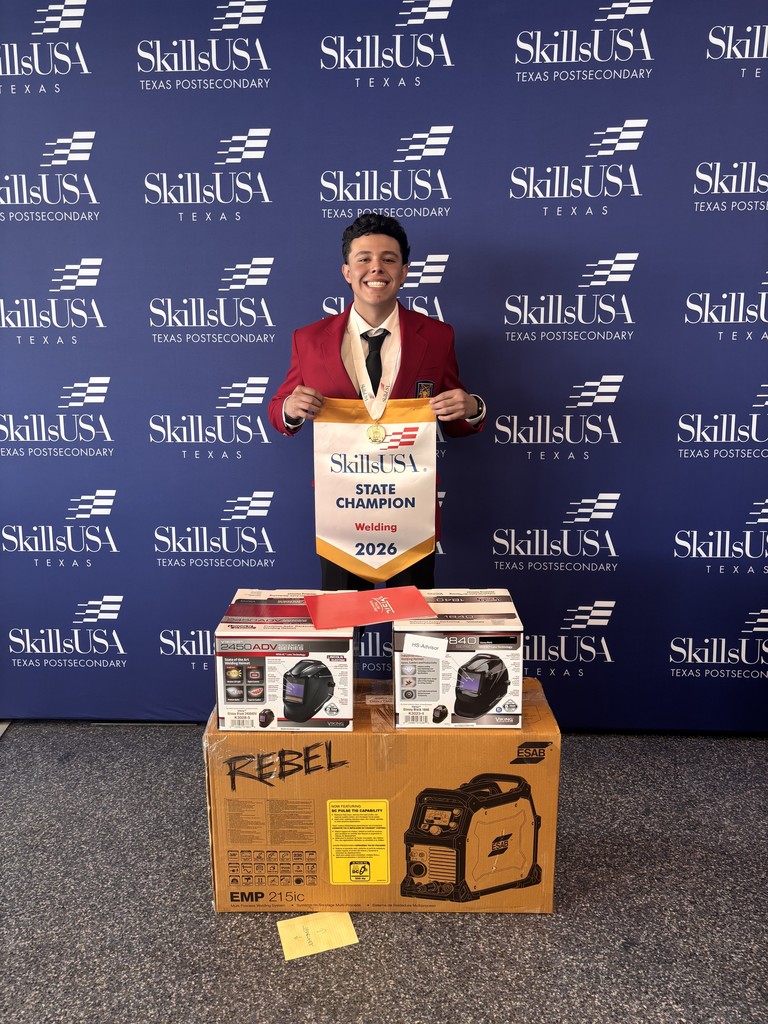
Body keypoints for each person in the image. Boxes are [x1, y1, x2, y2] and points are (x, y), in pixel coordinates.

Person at [267, 213, 486, 590]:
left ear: (403, 271)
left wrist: (471, 408)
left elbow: (454, 419)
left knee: (414, 632)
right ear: (347, 271)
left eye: (389, 258)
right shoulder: (308, 339)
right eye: (363, 258)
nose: (376, 268)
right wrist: (289, 409)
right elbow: (278, 409)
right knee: (343, 627)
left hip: (410, 511)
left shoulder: (436, 336)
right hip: (341, 511)